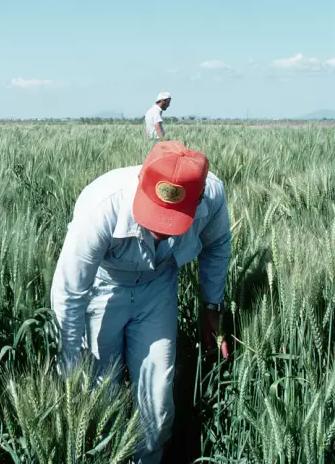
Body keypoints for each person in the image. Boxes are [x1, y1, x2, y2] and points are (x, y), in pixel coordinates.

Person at [50, 141, 231, 464]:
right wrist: (69, 362)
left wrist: (210, 307)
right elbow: (70, 291)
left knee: (158, 399)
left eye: (172, 219)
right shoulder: (102, 206)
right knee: (101, 393)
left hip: (157, 287)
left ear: (197, 201)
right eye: (156, 215)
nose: (161, 230)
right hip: (103, 290)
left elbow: (217, 246)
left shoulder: (212, 195)